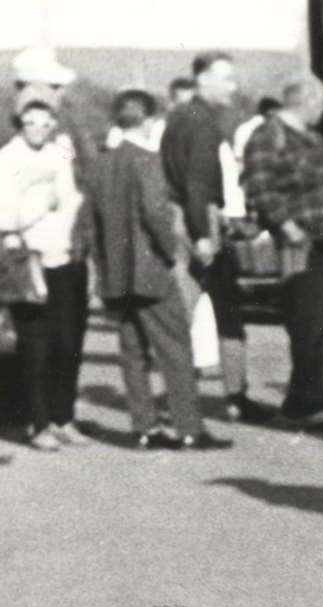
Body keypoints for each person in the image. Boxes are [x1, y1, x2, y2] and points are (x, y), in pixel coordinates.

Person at [93, 89, 219, 449]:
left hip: (117, 274)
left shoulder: (102, 164)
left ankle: (144, 429)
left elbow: (93, 222)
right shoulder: (148, 162)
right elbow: (155, 213)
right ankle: (189, 428)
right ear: (148, 121)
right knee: (175, 349)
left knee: (132, 351)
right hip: (151, 271)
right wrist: (173, 252)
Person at [240, 73, 323, 426]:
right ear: (306, 101)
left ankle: (302, 399)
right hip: (300, 244)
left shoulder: (310, 136)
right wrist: (287, 226)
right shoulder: (268, 136)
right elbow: (259, 186)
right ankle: (313, 404)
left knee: (322, 322)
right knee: (308, 322)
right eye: (321, 103)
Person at [161, 51, 267, 423]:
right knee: (227, 311)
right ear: (202, 79)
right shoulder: (204, 123)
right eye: (225, 78)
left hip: (177, 221)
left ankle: (181, 402)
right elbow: (197, 184)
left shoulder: (178, 117)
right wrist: (204, 236)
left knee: (183, 317)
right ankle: (232, 399)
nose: (232, 86)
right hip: (199, 223)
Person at [0, 91, 86, 449]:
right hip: (28, 257)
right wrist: (39, 205)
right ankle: (37, 424)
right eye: (31, 121)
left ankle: (63, 417)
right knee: (36, 345)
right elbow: (7, 213)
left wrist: (69, 144)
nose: (39, 128)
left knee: (68, 342)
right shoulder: (8, 157)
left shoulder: (60, 152)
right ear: (20, 122)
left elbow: (79, 177)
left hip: (63, 255)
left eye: (46, 121)